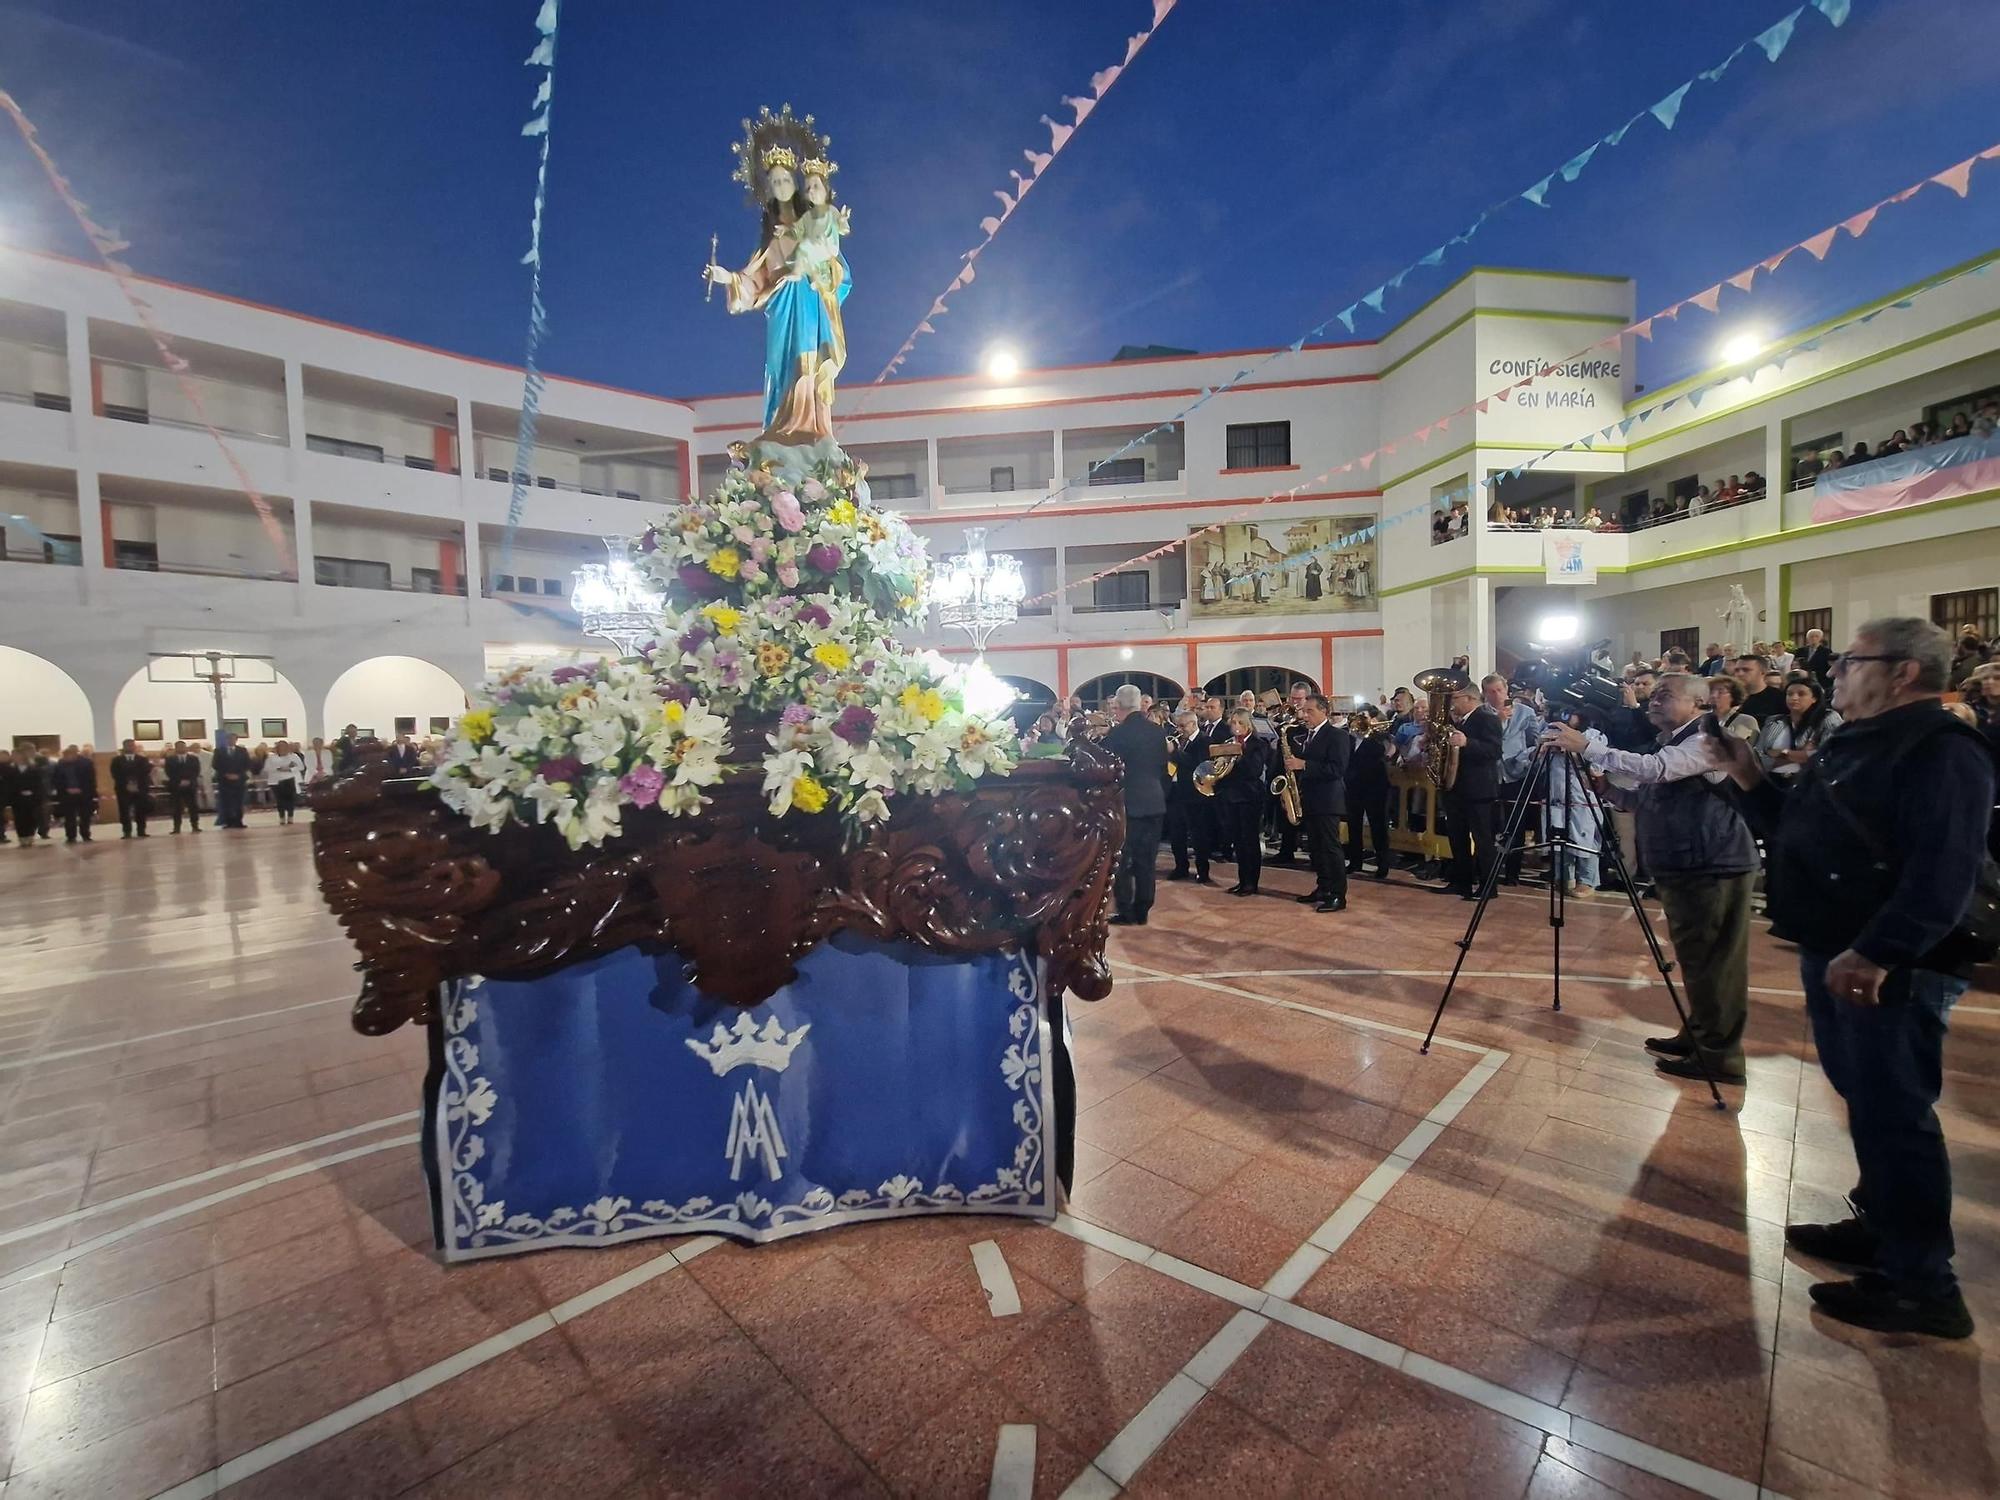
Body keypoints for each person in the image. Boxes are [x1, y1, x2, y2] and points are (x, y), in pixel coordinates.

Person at [1709, 618, 1993, 1338]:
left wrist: (1880, 950)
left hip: (1887, 965)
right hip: (1837, 947)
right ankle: (1883, 1230)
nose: (1833, 673)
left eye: (1850, 662)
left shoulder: (1942, 747)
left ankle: (1925, 1283)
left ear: (1902, 672)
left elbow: (1945, 870)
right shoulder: (1855, 738)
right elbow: (1795, 825)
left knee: (1896, 1115)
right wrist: (1746, 773)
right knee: (1867, 1103)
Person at [1547, 674, 1758, 1084]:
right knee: (1697, 959)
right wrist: (1608, 789)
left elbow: (1658, 771)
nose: (1654, 701)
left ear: (1698, 704)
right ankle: (1699, 1035)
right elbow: (1646, 798)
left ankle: (1721, 1054)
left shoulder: (1706, 739)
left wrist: (1590, 747)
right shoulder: (1674, 740)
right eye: (1655, 694)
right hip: (1687, 863)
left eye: (1665, 695)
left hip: (1713, 862)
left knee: (1715, 962)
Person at [1102, 686, 1169, 927]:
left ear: (1118, 707)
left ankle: (1127, 909)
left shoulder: (1117, 735)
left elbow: (1106, 770)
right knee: (1147, 860)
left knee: (1122, 860)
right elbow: (1163, 767)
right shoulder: (1157, 732)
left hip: (1128, 804)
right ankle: (1143, 909)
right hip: (1154, 802)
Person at [1283, 693, 1350, 912]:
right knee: (1316, 849)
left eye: (1310, 711)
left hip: (1328, 800)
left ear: (1324, 712)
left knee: (1330, 848)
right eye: (1304, 711)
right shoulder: (1307, 735)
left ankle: (1338, 895)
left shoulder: (1337, 736)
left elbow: (1337, 769)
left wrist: (1304, 765)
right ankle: (1323, 887)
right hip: (1310, 799)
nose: (1304, 715)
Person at [1440, 680, 1502, 899]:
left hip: (1479, 790)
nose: (1451, 704)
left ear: (1470, 698)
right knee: (1457, 838)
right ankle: (1461, 881)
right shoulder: (1456, 722)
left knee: (1483, 840)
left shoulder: (1487, 719)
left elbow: (1494, 750)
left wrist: (1467, 743)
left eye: (1455, 698)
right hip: (1455, 789)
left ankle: (1488, 886)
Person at [1488, 676, 1543, 884]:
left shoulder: (1525, 712)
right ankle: (1488, 868)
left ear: (1506, 689)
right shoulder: (1484, 714)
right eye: (1491, 692)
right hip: (1491, 774)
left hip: (1517, 773)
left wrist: (1524, 759)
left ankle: (1513, 873)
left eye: (1499, 690)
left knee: (1516, 825)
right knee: (1491, 825)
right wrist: (1499, 720)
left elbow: (1534, 741)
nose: (1496, 695)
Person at [1544, 712, 1604, 896]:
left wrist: (1574, 751)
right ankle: (1562, 877)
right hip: (1557, 796)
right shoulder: (1550, 732)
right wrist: (1545, 748)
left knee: (1585, 838)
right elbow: (1532, 757)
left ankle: (1587, 880)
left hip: (1583, 797)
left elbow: (1598, 765)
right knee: (1559, 835)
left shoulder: (1594, 735)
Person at [1215, 708, 1273, 896]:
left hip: (1249, 797)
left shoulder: (1258, 744)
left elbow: (1254, 770)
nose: (1235, 726)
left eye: (1239, 723)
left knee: (1249, 841)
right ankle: (1242, 880)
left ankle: (1251, 882)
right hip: (1231, 797)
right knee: (1238, 841)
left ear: (1248, 724)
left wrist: (1237, 756)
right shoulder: (1227, 743)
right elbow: (1220, 770)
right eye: (1233, 723)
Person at [1756, 675, 1841, 780]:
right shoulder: (1774, 720)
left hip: (1810, 781)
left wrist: (1782, 753)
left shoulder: (1827, 717)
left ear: (1814, 698)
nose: (1794, 698)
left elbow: (1829, 753)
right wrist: (1802, 755)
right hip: (1773, 780)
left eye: (1801, 694)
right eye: (1789, 694)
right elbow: (1758, 755)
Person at [1343, 708, 1392, 880]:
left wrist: (1370, 732)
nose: (1359, 721)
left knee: (1378, 826)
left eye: (1363, 718)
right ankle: (1355, 861)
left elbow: (1382, 752)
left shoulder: (1380, 737)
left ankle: (1382, 864)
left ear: (1372, 719)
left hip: (1375, 788)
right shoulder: (1349, 738)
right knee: (1353, 825)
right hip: (1353, 787)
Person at [1164, 711, 1206, 883]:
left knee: (1198, 834)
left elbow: (1198, 764)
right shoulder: (1180, 740)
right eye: (1178, 726)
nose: (1179, 729)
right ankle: (1180, 866)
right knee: (1176, 833)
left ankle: (1203, 870)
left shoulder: (1204, 740)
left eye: (1182, 726)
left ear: (1193, 724)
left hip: (1194, 795)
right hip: (1175, 792)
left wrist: (1175, 752)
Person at [51, 745, 98, 844]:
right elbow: (56, 780)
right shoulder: (60, 764)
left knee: (85, 816)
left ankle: (85, 834)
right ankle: (71, 836)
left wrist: (84, 790)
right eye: (65, 756)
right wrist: (65, 789)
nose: (67, 758)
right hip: (67, 795)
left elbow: (90, 780)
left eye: (69, 755)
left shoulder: (86, 763)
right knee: (69, 816)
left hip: (83, 794)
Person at [109, 739, 153, 838]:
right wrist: (127, 784)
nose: (130, 747)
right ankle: (126, 831)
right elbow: (115, 774)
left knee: (140, 810)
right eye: (128, 746)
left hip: (140, 788)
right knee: (124, 810)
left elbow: (145, 773)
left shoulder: (142, 759)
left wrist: (136, 784)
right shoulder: (117, 760)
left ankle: (141, 830)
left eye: (132, 745)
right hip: (123, 789)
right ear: (124, 747)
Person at [212, 731, 252, 830]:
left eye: (233, 739)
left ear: (236, 740)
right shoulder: (219, 751)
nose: (231, 741)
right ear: (226, 740)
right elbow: (215, 765)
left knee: (239, 801)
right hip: (225, 780)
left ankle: (238, 821)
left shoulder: (242, 751)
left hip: (239, 780)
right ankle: (228, 822)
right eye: (229, 739)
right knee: (227, 802)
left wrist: (238, 775)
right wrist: (226, 774)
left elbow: (247, 764)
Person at [264, 740, 307, 826]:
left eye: (284, 747)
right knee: (280, 800)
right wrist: (278, 768)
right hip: (275, 781)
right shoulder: (271, 758)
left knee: (290, 799)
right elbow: (267, 768)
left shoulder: (293, 756)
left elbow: (301, 767)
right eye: (280, 747)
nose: (282, 749)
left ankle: (290, 817)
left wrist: (289, 769)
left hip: (289, 779)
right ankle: (282, 817)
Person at [1733, 654, 1786, 723]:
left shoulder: (1779, 698)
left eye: (1746, 670)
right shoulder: (1729, 697)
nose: (1740, 674)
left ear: (1763, 672)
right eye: (1737, 670)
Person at [162, 741, 202, 832]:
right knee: (177, 807)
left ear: (186, 748)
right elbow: (169, 772)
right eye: (179, 747)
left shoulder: (193, 758)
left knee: (193, 806)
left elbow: (196, 771)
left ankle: (195, 826)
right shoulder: (170, 759)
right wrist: (179, 781)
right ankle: (177, 827)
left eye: (183, 746)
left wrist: (189, 780)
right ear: (176, 748)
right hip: (176, 786)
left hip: (190, 785)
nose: (181, 748)